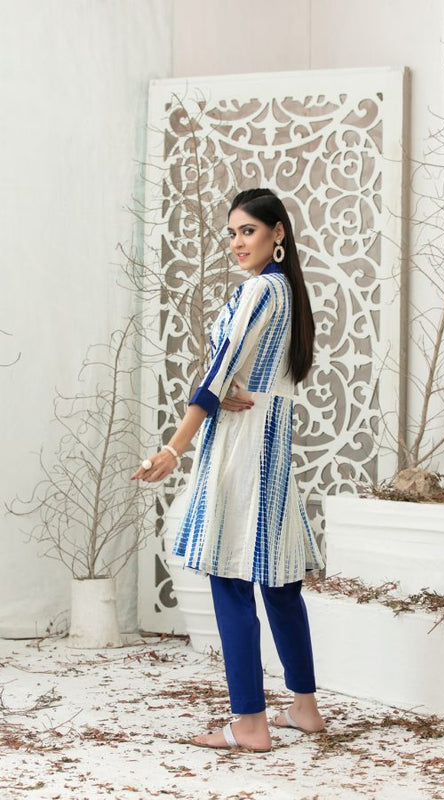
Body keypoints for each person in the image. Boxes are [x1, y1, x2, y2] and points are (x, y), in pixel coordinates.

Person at [132, 188, 325, 752]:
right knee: (280, 583)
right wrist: (237, 390)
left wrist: (173, 448)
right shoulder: (288, 291)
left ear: (277, 232)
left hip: (243, 447)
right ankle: (305, 709)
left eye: (248, 231)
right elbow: (259, 377)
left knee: (230, 576)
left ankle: (249, 724)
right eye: (233, 233)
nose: (238, 243)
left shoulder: (258, 289)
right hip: (273, 442)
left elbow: (219, 372)